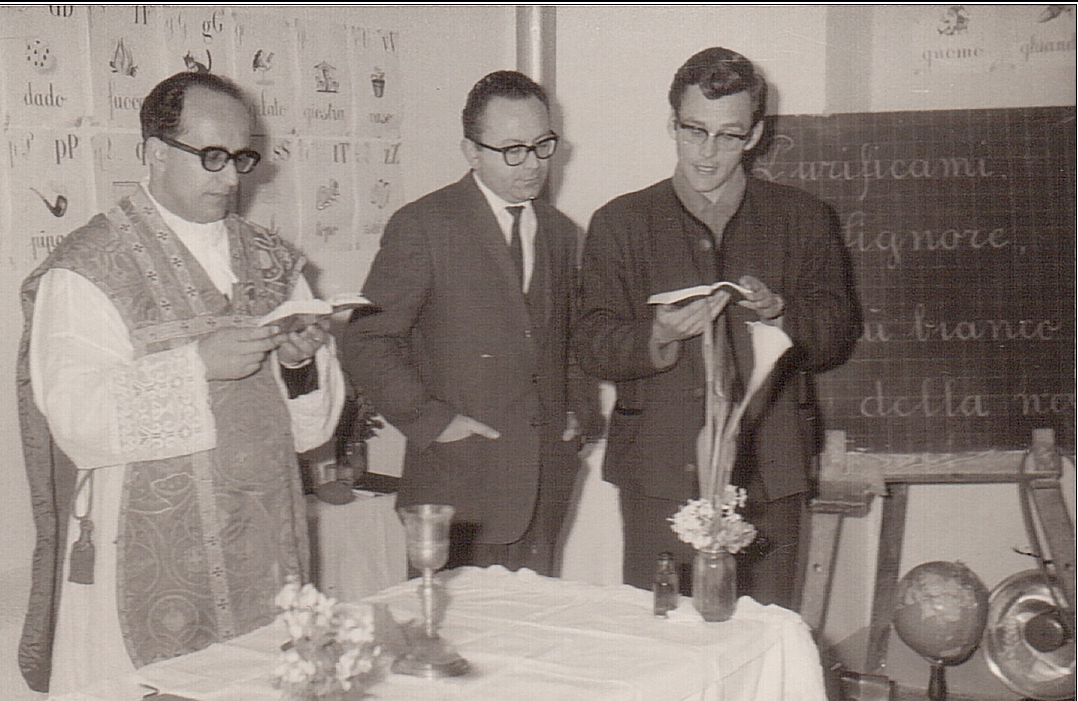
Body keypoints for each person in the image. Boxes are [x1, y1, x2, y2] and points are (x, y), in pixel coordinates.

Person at [16, 72, 344, 694]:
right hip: (143, 550)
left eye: (241, 157)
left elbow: (310, 432)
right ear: (154, 152)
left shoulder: (272, 260)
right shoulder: (89, 267)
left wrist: (299, 368)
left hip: (263, 545)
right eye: (211, 157)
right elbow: (74, 417)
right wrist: (197, 367)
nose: (231, 179)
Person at [576, 47, 861, 607]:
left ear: (754, 134)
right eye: (693, 131)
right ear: (672, 123)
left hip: (771, 471)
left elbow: (836, 335)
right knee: (663, 643)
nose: (707, 154)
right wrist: (656, 334)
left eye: (728, 136)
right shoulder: (619, 222)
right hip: (657, 472)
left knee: (765, 640)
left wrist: (782, 314)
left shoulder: (804, 218)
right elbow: (590, 342)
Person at [341, 70, 600, 575]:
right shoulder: (424, 225)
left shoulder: (562, 233)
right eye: (512, 150)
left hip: (544, 487)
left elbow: (570, 338)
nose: (532, 165)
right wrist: (434, 421)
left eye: (543, 145)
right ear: (470, 151)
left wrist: (578, 408)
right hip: (456, 491)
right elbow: (366, 339)